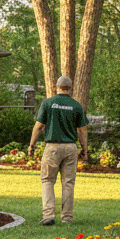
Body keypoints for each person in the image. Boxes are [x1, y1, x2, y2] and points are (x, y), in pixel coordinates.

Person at [28, 76, 89, 225]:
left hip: (52, 147)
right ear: (71, 88)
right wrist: (85, 149)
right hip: (70, 148)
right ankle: (67, 218)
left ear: (56, 87)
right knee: (68, 183)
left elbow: (39, 126)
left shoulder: (48, 103)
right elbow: (82, 130)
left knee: (48, 180)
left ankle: (48, 215)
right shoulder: (76, 105)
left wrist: (31, 145)